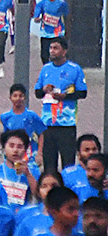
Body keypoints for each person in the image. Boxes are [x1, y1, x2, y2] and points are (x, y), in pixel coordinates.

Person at [35, 38, 87, 172]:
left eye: (55, 48)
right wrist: (44, 89)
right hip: (48, 124)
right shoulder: (45, 69)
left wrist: (65, 97)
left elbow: (82, 93)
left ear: (64, 51)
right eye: (51, 48)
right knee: (49, 165)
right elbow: (37, 92)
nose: (52, 51)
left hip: (67, 124)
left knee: (68, 164)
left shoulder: (75, 69)